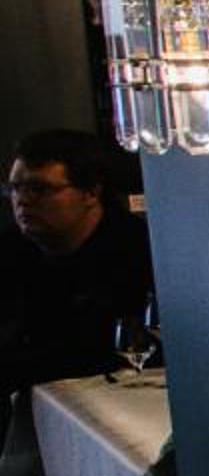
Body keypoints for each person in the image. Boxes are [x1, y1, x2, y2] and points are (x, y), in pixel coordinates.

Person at [4, 128, 156, 395]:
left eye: (40, 189)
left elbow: (98, 351)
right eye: (15, 188)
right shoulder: (12, 247)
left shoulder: (137, 253)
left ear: (90, 193)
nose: (23, 200)